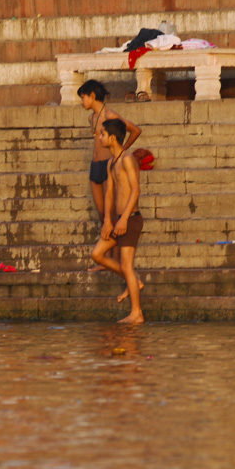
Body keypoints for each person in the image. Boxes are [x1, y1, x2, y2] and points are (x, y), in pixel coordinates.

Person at [77, 80, 141, 271]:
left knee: (111, 213)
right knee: (102, 214)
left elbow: (135, 130)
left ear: (92, 96)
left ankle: (114, 258)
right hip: (95, 166)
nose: (81, 102)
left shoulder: (110, 115)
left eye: (83, 97)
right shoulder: (91, 118)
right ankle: (107, 259)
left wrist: (121, 152)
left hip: (108, 165)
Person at [90, 119, 145, 324]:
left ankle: (136, 313)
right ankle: (135, 282)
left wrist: (122, 220)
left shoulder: (127, 159)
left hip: (130, 220)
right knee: (97, 254)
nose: (99, 137)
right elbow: (110, 194)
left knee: (127, 265)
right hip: (117, 221)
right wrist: (107, 220)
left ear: (112, 138)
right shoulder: (112, 162)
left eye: (102, 134)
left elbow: (135, 190)